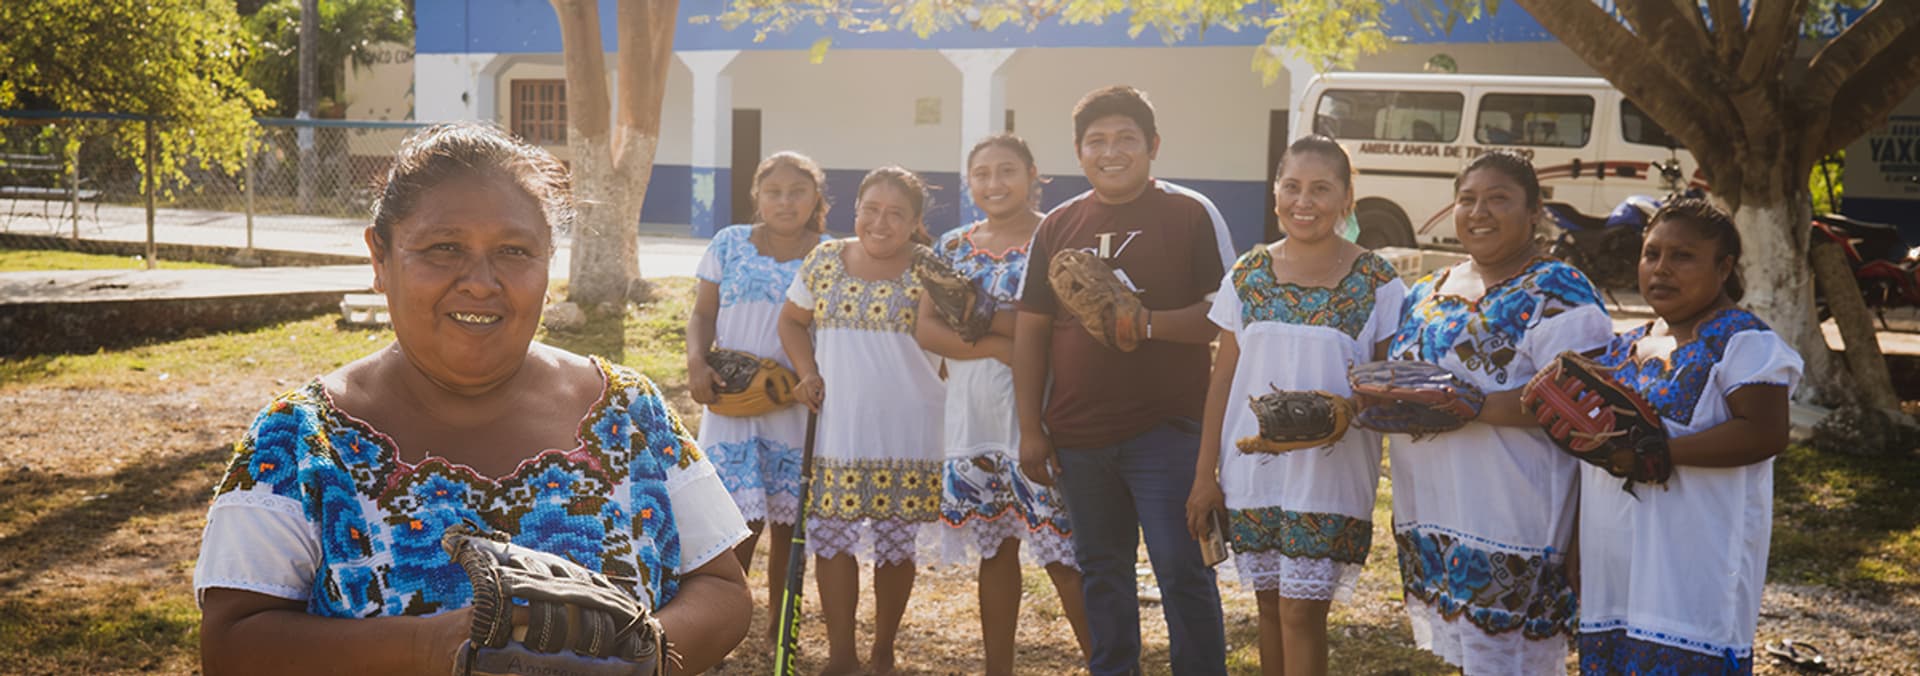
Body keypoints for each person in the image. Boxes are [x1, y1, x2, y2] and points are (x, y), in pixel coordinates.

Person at [193, 122, 752, 674]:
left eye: (514, 251)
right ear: (380, 258)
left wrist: (642, 658)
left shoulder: (628, 411)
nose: (481, 281)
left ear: (548, 261)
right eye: (444, 248)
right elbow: (232, 644)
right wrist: (429, 647)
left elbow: (722, 587)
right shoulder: (299, 439)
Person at [1013, 84, 1236, 676]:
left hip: (1167, 430)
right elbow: (1031, 330)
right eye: (1096, 141)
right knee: (1102, 572)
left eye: (1125, 139)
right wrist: (1030, 427)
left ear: (1153, 145)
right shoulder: (1058, 224)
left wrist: (1146, 322)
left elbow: (1225, 319)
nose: (1110, 152)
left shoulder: (1190, 213)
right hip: (1078, 434)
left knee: (1183, 570)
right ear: (1079, 152)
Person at [1382, 149, 1612, 674]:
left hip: (1514, 514)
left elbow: (1584, 400)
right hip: (1434, 511)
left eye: (1498, 199)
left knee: (1510, 660)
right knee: (1471, 657)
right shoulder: (1427, 290)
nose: (1478, 212)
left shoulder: (1559, 291)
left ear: (1534, 211)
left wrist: (1470, 404)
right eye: (1467, 199)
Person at [1186, 135, 1404, 676]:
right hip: (1251, 470)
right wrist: (1205, 475)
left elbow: (1389, 383)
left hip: (1331, 475)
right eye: (1292, 187)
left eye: (1321, 189)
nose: (1303, 202)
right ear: (1276, 193)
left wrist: (1351, 406)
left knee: (1301, 612)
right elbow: (1223, 380)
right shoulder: (1248, 274)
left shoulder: (1378, 281)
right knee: (1268, 606)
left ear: (1347, 198)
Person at [1575, 199, 1802, 675]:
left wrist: (1658, 454)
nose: (1661, 269)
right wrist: (1577, 546)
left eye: (1682, 256)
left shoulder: (1742, 341)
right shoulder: (1625, 345)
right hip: (1614, 572)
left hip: (1693, 571)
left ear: (1724, 267)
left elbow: (1765, 432)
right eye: (1651, 254)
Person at [917, 133, 1092, 675]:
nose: (994, 183)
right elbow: (926, 329)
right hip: (973, 421)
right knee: (995, 553)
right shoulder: (952, 246)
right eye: (982, 173)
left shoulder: (1057, 237)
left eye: (1007, 171)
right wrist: (999, 346)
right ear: (968, 181)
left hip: (1038, 417)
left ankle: (1108, 664)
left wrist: (991, 325)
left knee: (1064, 558)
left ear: (1033, 174)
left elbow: (1066, 326)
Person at [777, 166, 943, 676]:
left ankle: (883, 652)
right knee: (832, 540)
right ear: (855, 211)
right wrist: (807, 372)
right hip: (840, 429)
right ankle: (842, 655)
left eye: (896, 214)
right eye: (871, 210)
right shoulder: (825, 259)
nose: (880, 223)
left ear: (915, 222)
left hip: (910, 432)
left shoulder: (931, 269)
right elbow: (791, 321)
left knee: (896, 545)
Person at [685, 151, 831, 644]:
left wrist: (808, 379)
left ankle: (780, 630)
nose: (786, 202)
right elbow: (703, 314)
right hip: (733, 402)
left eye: (798, 192)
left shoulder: (828, 255)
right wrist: (697, 363)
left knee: (791, 523)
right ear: (757, 196)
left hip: (795, 404)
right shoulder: (729, 243)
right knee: (732, 524)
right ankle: (720, 631)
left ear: (815, 198)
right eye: (774, 192)